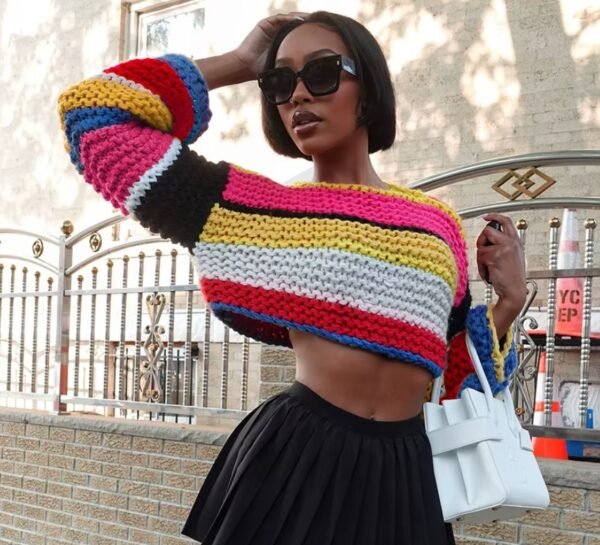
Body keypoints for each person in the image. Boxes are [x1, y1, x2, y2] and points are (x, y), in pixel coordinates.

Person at [58, 10, 527, 545]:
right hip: (297, 459)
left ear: (368, 88)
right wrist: (237, 63)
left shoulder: (435, 224)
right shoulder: (255, 212)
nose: (298, 95)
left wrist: (508, 303)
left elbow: (455, 369)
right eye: (280, 83)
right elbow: (92, 112)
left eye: (322, 73)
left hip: (406, 471)